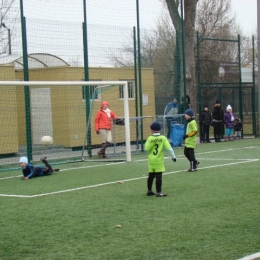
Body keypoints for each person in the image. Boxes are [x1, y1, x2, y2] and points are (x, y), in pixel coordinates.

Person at [144, 122, 177, 197]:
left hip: (151, 160)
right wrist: (173, 157)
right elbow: (169, 149)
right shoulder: (163, 138)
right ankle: (159, 192)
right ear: (160, 130)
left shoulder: (150, 138)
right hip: (158, 160)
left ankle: (149, 190)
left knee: (151, 175)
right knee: (159, 175)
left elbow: (146, 148)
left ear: (151, 130)